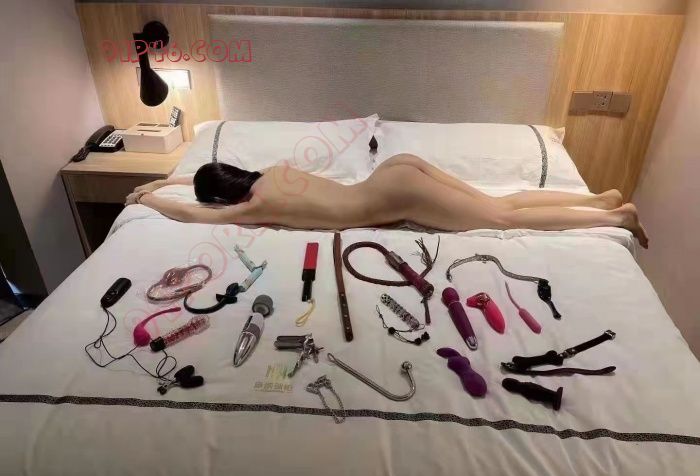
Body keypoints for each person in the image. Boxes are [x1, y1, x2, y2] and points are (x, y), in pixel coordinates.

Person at [126, 154, 648, 248]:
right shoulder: (274, 171)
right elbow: (196, 190)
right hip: (395, 170)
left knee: (502, 218)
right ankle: (599, 200)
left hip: (399, 195)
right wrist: (167, 180)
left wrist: (151, 197)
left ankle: (617, 215)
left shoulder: (254, 207)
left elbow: (190, 212)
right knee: (502, 200)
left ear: (222, 199)